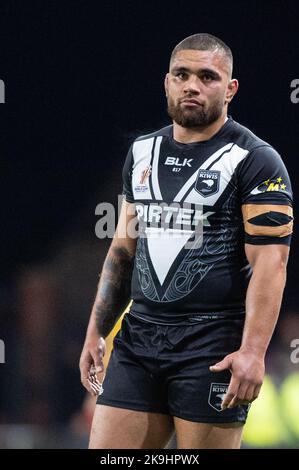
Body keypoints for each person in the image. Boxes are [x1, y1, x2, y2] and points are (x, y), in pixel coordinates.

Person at [79, 33, 293, 449]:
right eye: (182, 74)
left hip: (211, 345)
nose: (192, 85)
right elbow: (124, 249)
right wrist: (96, 331)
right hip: (138, 339)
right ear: (167, 82)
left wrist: (253, 350)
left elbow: (271, 264)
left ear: (230, 88)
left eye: (207, 76)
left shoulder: (256, 160)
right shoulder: (142, 152)